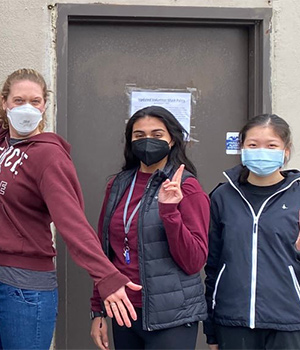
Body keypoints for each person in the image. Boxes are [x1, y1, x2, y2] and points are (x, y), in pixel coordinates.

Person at [0, 1, 140, 348]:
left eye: (36, 101)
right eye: (19, 100)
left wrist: (106, 276)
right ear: (4, 104)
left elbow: (72, 222)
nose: (27, 108)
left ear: (44, 106)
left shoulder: (49, 157)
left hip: (25, 291)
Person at [204, 114, 300, 350]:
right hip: (233, 323)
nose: (261, 151)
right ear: (241, 148)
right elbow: (212, 266)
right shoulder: (223, 197)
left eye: (271, 145)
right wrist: (211, 330)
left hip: (291, 326)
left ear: (286, 151)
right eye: (252, 145)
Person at [88, 106, 209, 350]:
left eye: (157, 135)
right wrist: (98, 309)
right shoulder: (119, 184)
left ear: (172, 140)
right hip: (124, 309)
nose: (147, 142)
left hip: (172, 317)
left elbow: (194, 261)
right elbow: (104, 252)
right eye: (139, 136)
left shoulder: (186, 187)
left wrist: (169, 212)